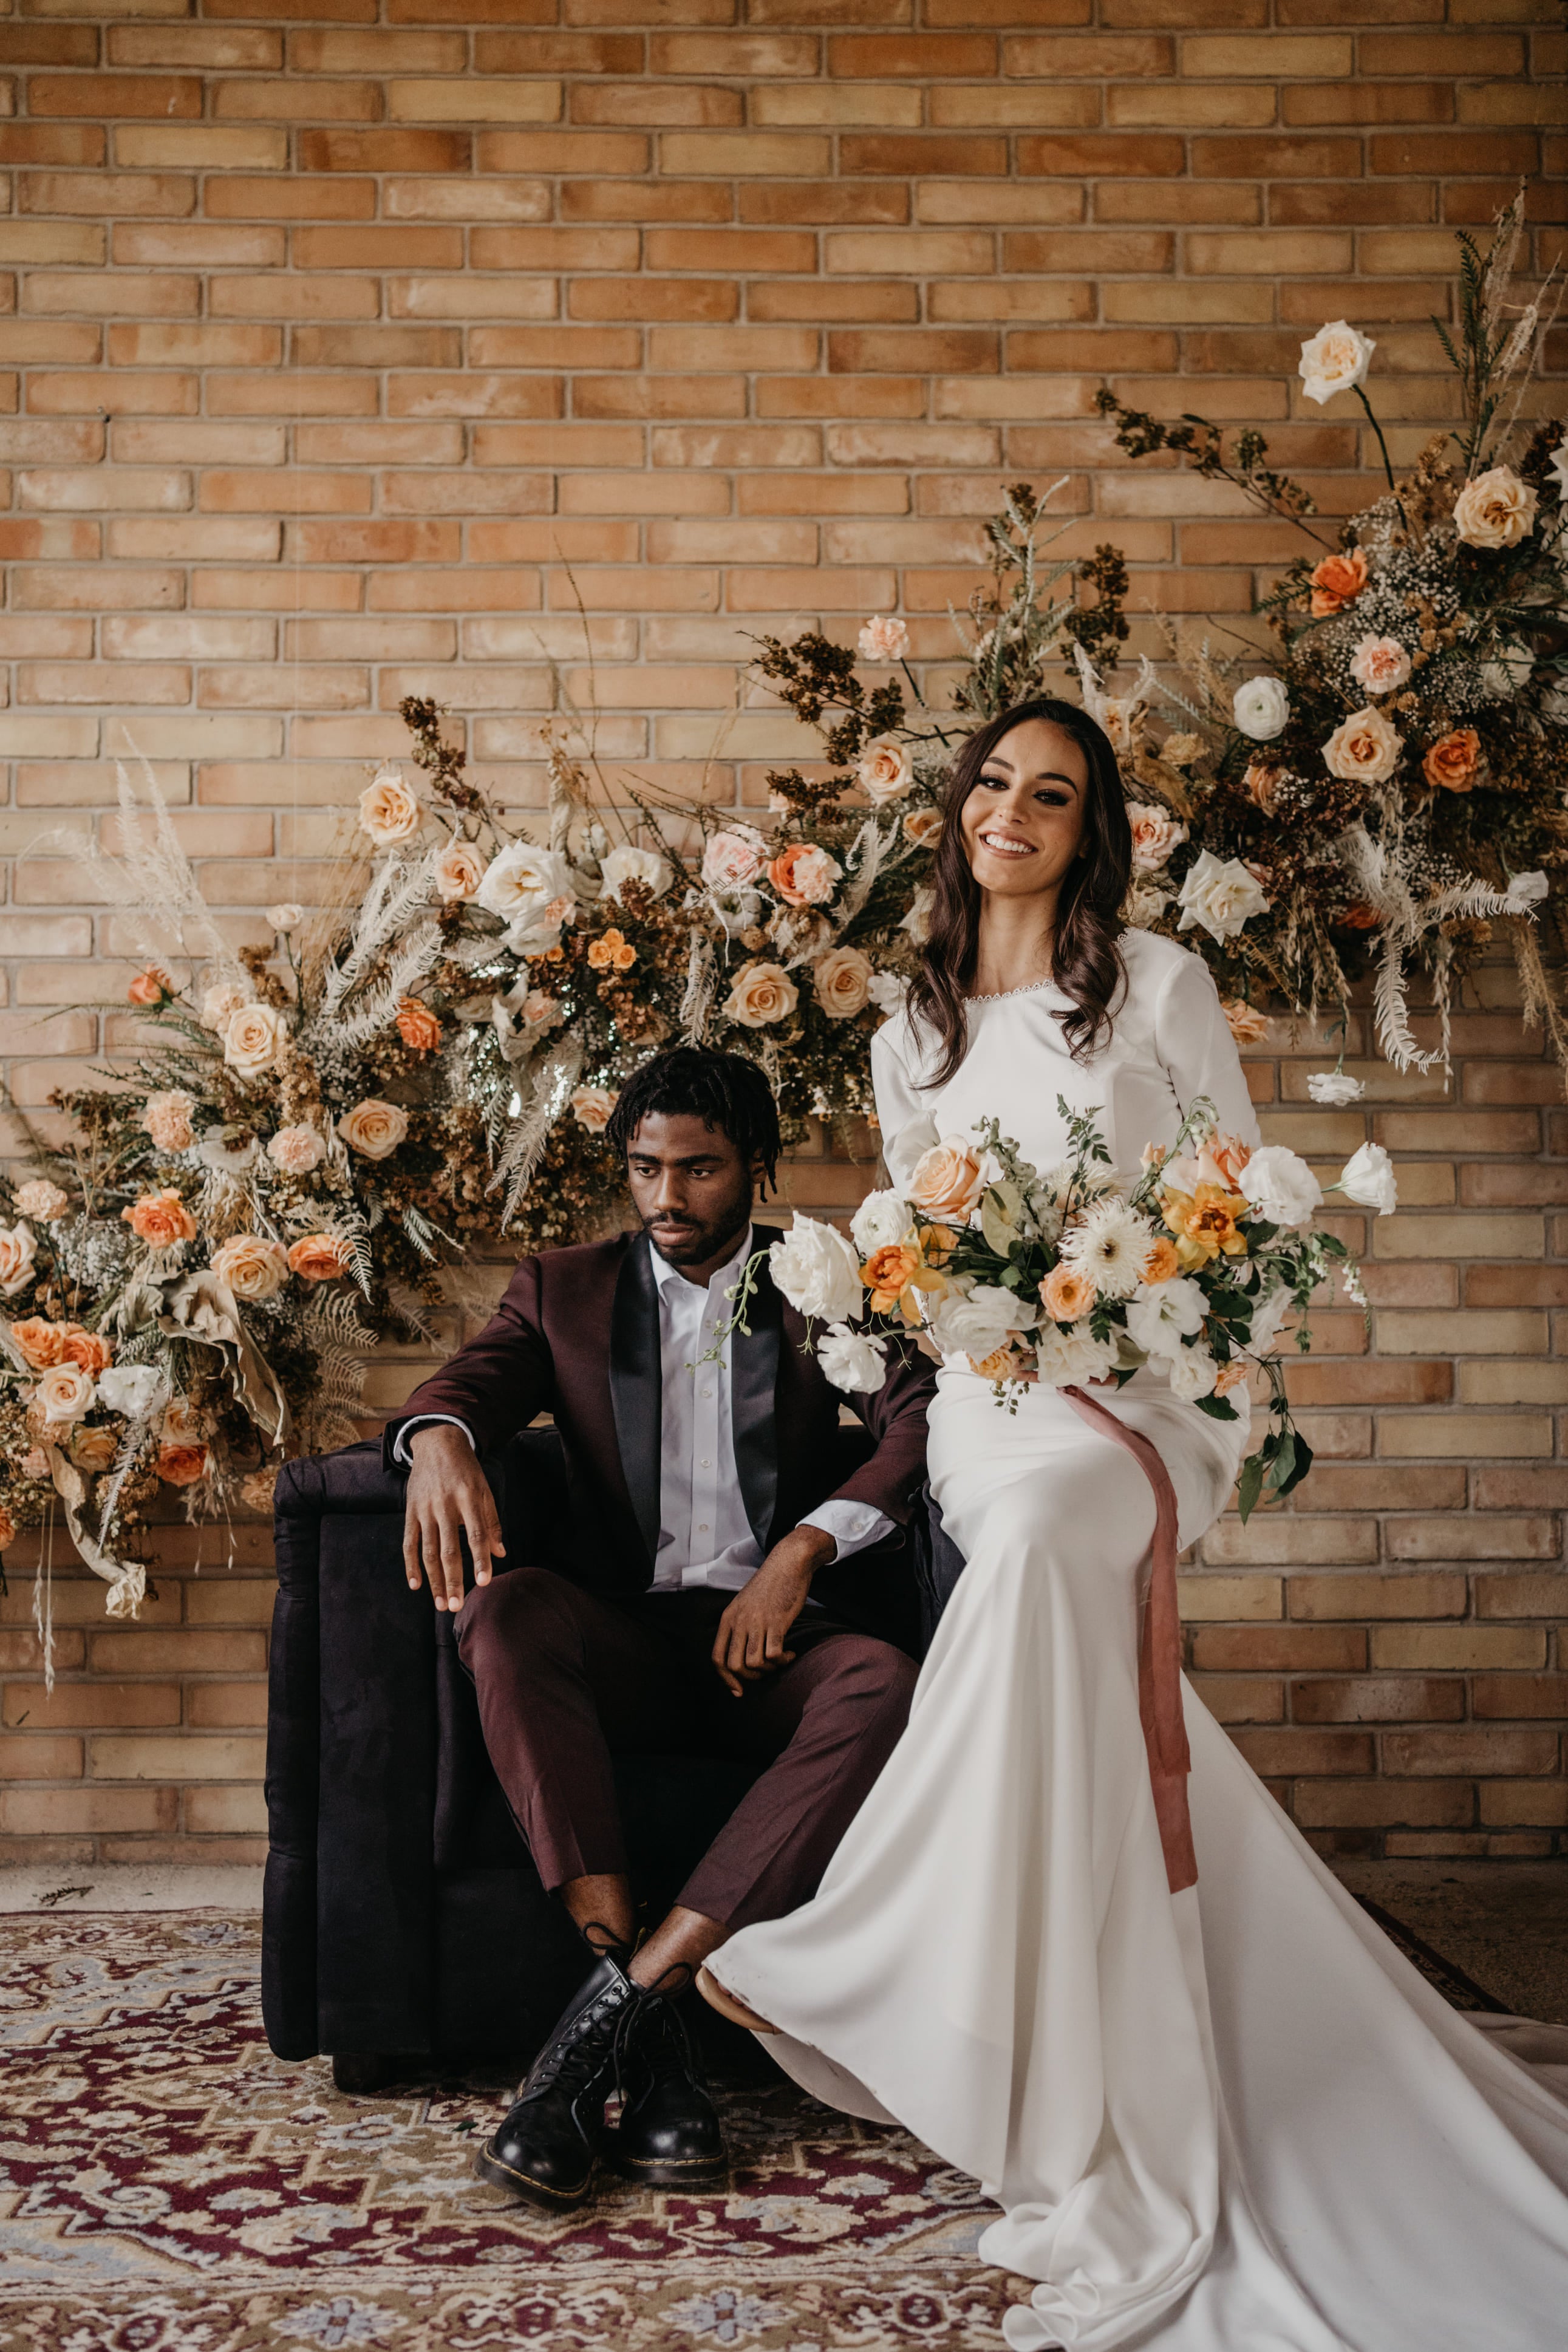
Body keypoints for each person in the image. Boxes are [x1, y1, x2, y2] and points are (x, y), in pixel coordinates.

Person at [700, 697, 1568, 2351]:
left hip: (1142, 1393)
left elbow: (1225, 1210)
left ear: (1087, 830)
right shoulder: (910, 1023)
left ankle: (880, 1956)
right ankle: (1030, 2044)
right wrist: (988, 1319)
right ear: (954, 809)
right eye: (990, 784)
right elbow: (906, 1254)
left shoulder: (1154, 986)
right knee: (1021, 1546)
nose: (1009, 812)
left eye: (1049, 794)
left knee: (1038, 1553)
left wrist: (1177, 1384)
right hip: (993, 1400)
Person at [390, 1046, 933, 2215]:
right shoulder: (563, 1287)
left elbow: (913, 1419)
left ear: (754, 1169)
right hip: (625, 1642)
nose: (667, 1199)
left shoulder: (827, 1278)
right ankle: (648, 2029)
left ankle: (612, 2024)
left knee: (883, 1684)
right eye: (645, 1169)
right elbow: (469, 1382)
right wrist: (437, 1438)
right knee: (506, 1608)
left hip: (771, 1651)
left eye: (698, 1170)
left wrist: (801, 1550)